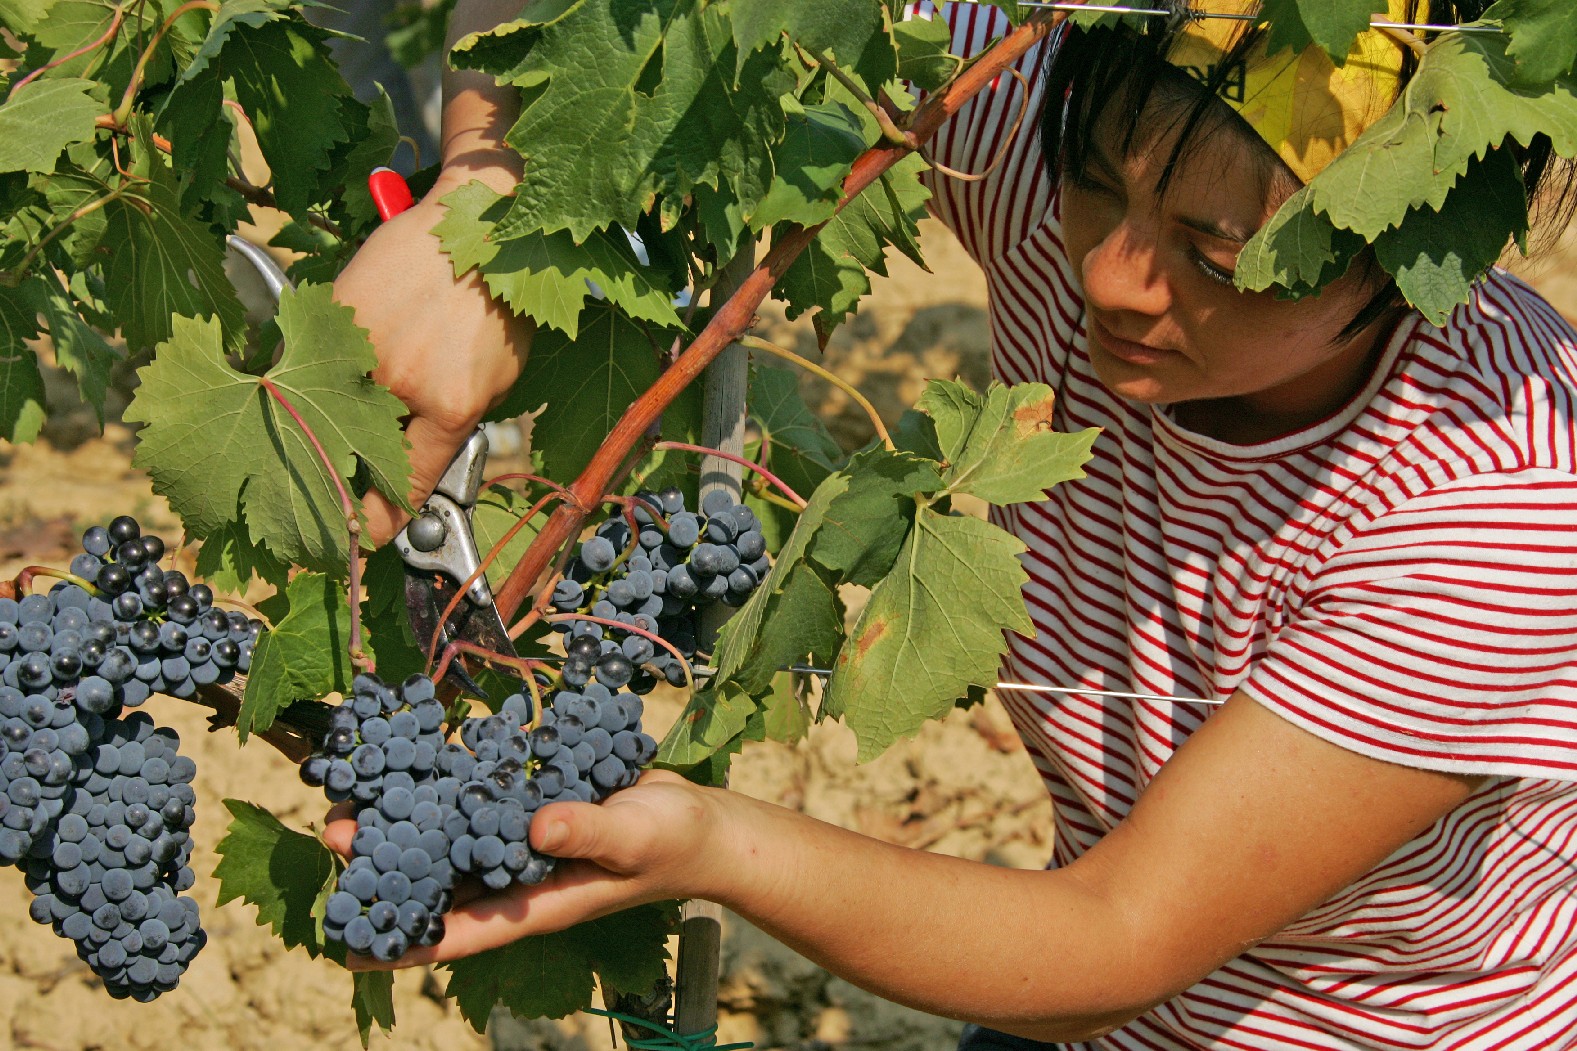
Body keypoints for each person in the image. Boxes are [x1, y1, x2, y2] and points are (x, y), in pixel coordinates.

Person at [330, 1, 1577, 1048]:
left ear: (1417, 250)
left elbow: (1116, 935)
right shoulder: (1030, 138)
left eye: (1218, 252)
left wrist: (713, 844)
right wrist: (479, 203)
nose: (1110, 275)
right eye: (1096, 185)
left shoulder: (1496, 502)